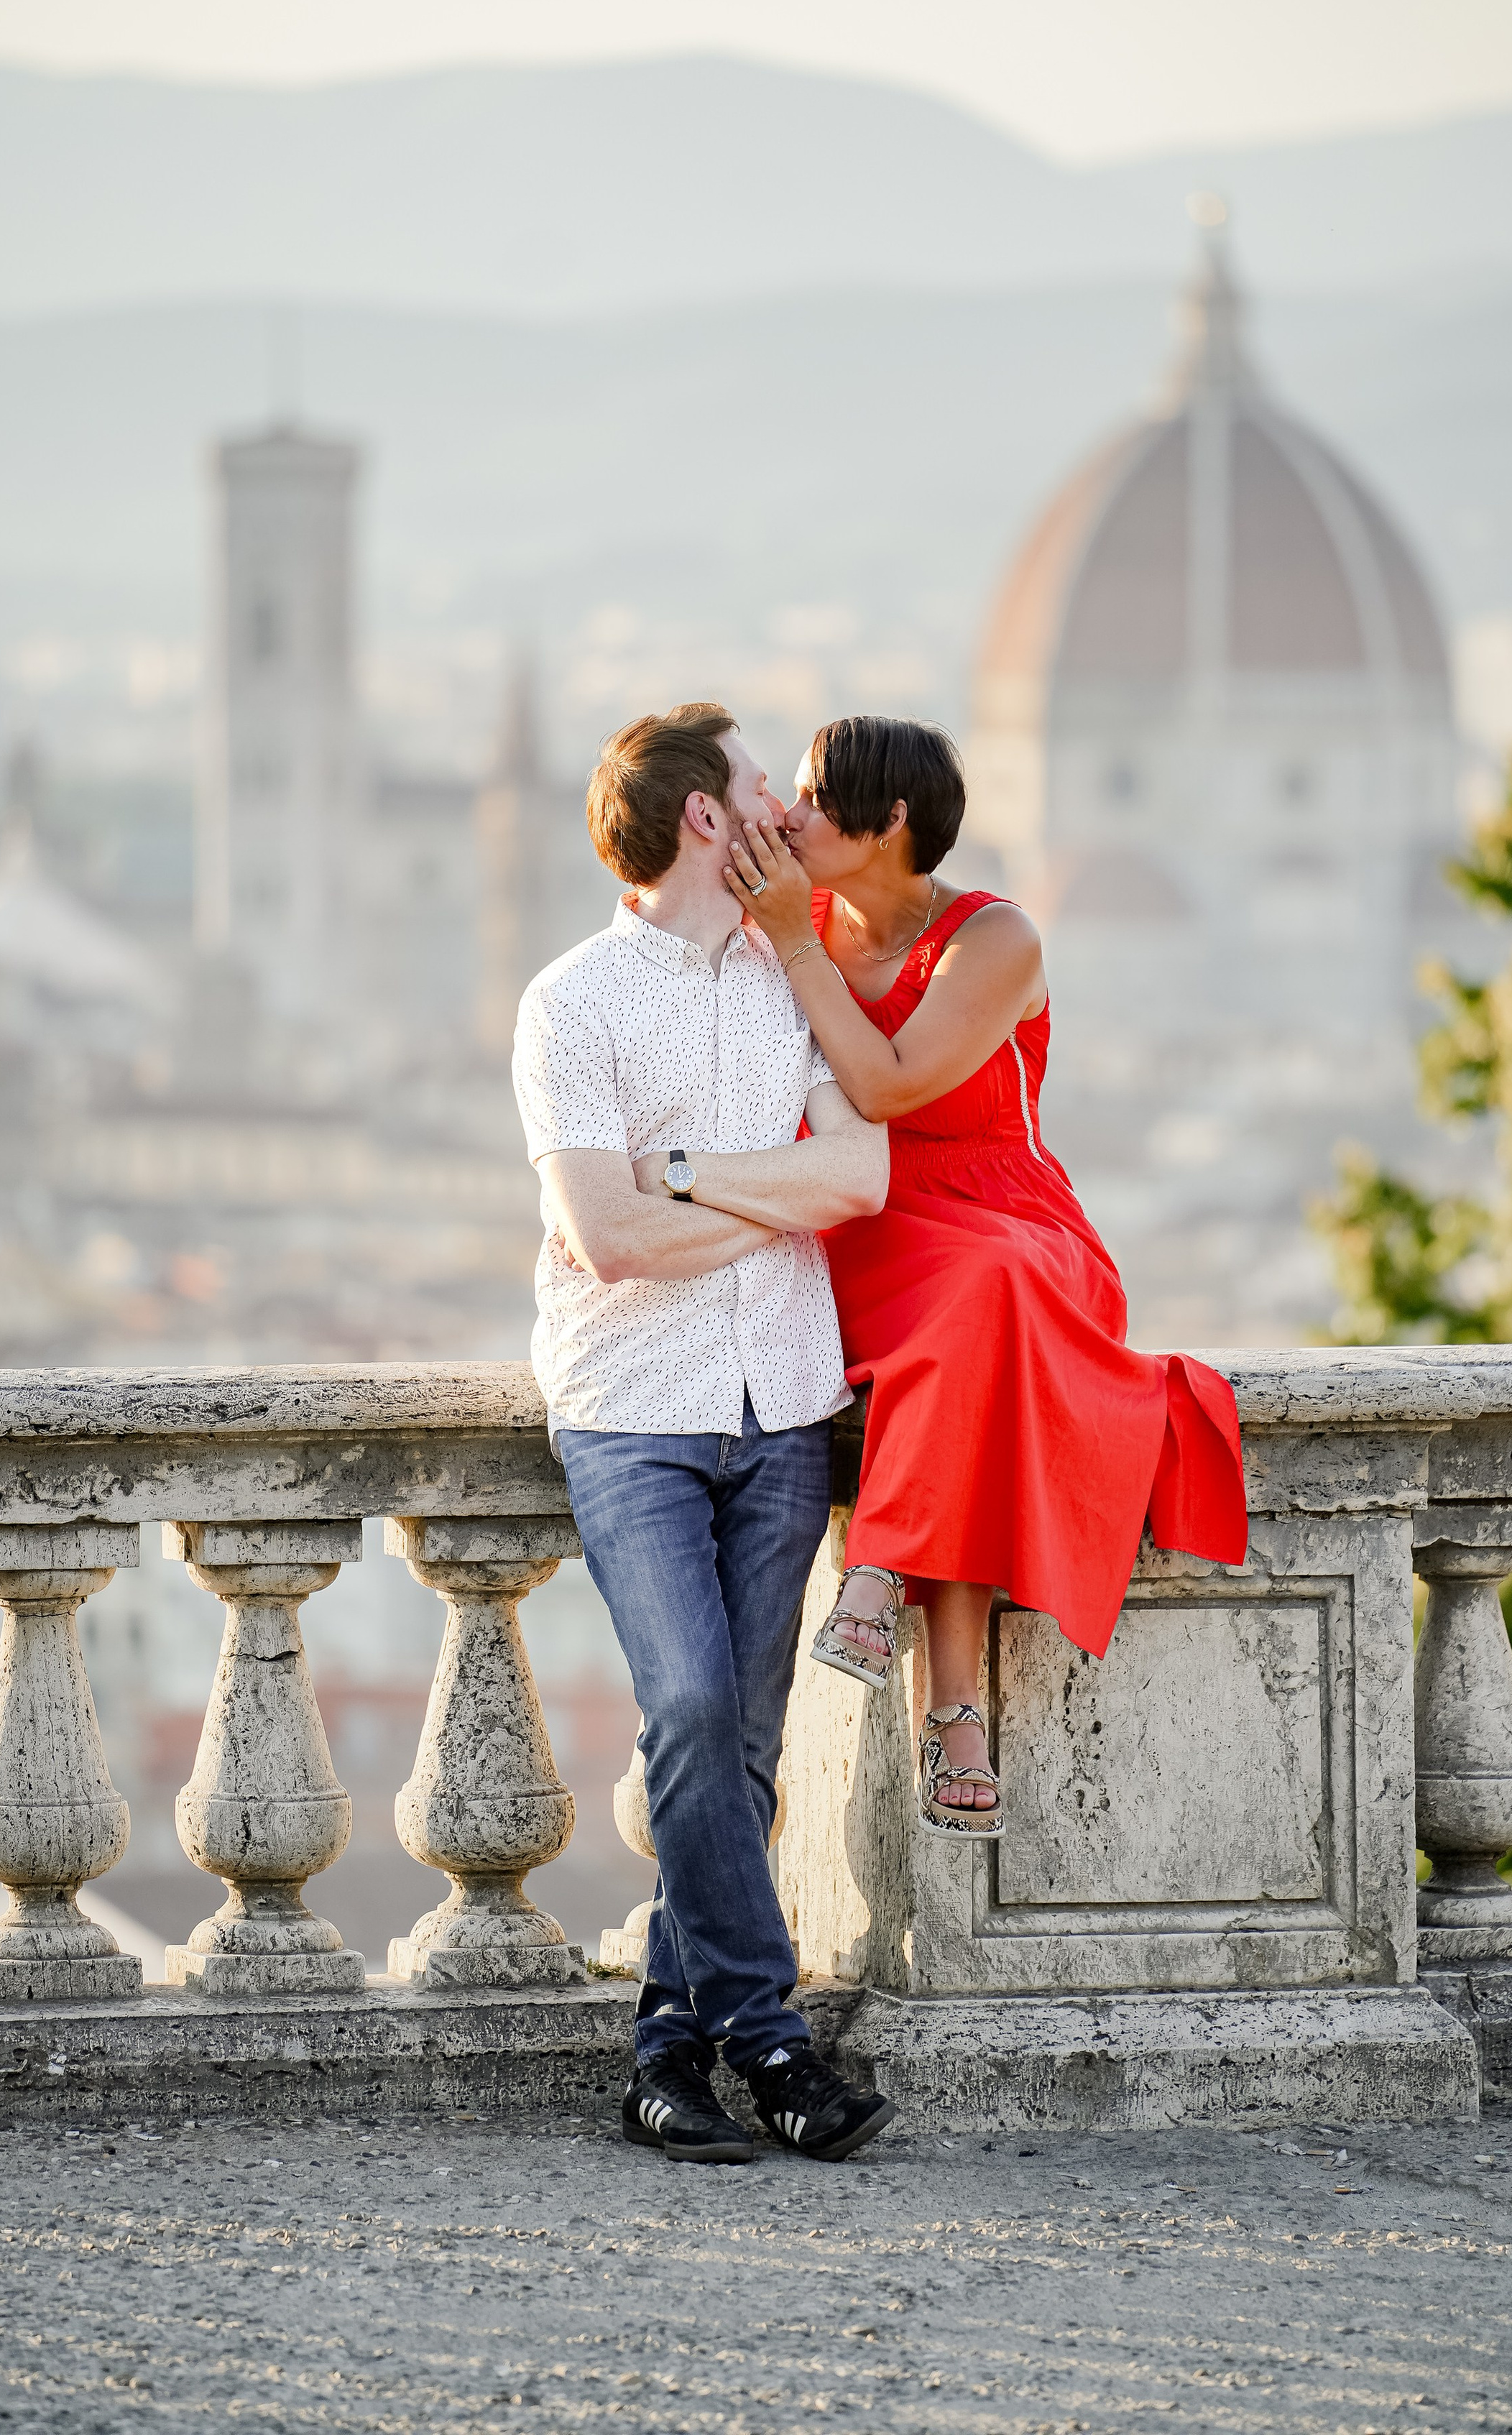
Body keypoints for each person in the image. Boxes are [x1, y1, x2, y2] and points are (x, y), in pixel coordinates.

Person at [721, 714, 1248, 1836]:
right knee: (968, 1347)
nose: (795, 817)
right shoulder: (789, 918)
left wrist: (798, 949)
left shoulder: (992, 938)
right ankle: (951, 1704)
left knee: (983, 1300)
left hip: (1006, 1222)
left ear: (893, 820)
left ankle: (888, 1591)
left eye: (817, 798)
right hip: (862, 1218)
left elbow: (893, 1086)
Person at [512, 700, 898, 2166]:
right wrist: (756, 1197)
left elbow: (855, 1180)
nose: (781, 811)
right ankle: (775, 2041)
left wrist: (677, 1178)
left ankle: (667, 2055)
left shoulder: (792, 979)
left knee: (738, 1749)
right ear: (700, 820)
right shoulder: (572, 1004)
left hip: (784, 1406)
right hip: (634, 1417)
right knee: (683, 1715)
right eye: (757, 787)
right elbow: (599, 1238)